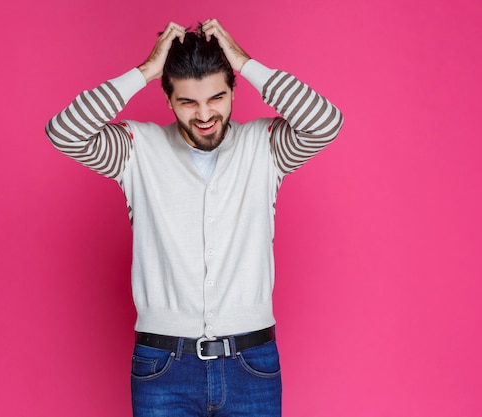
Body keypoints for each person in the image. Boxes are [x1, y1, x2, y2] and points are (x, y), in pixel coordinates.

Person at [46, 19, 343, 417]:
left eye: (217, 98)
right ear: (168, 100)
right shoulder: (137, 151)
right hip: (163, 366)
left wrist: (245, 62)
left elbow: (326, 122)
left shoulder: (266, 147)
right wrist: (146, 72)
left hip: (251, 363)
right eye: (188, 102)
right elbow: (64, 132)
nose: (205, 114)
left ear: (234, 89)